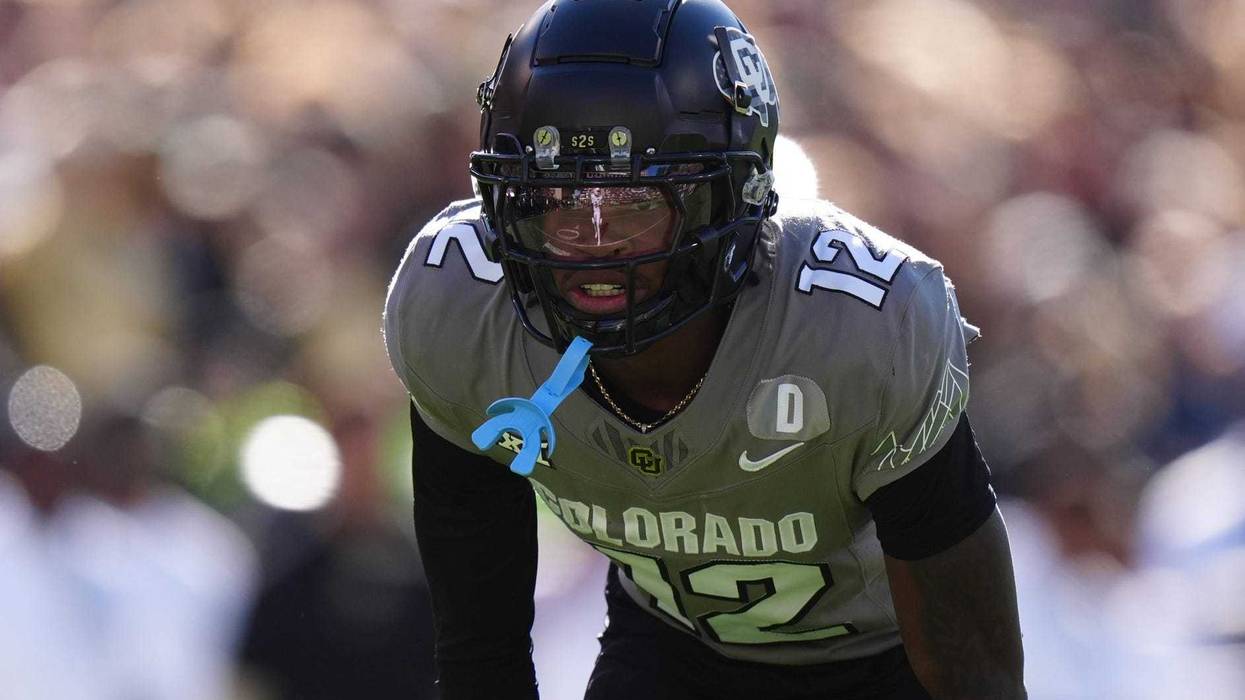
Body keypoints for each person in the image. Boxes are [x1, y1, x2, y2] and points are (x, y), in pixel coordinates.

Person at [383, 1, 1026, 697]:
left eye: (637, 199)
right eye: (556, 197)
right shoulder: (458, 307)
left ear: (732, 193)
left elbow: (974, 674)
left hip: (885, 663)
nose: (595, 239)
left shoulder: (859, 327)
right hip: (673, 650)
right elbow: (482, 655)